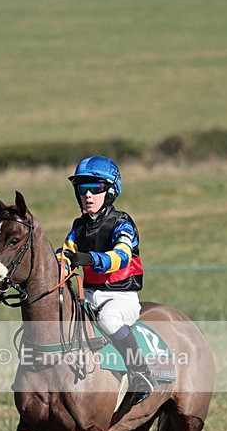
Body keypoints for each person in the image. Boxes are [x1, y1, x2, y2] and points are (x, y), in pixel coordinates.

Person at [58, 155, 156, 405]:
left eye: (96, 188)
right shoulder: (78, 226)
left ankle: (141, 374)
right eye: (82, 189)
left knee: (108, 320)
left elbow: (122, 256)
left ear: (110, 191)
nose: (88, 195)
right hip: (88, 294)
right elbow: (66, 255)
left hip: (120, 296)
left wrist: (90, 259)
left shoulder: (122, 223)